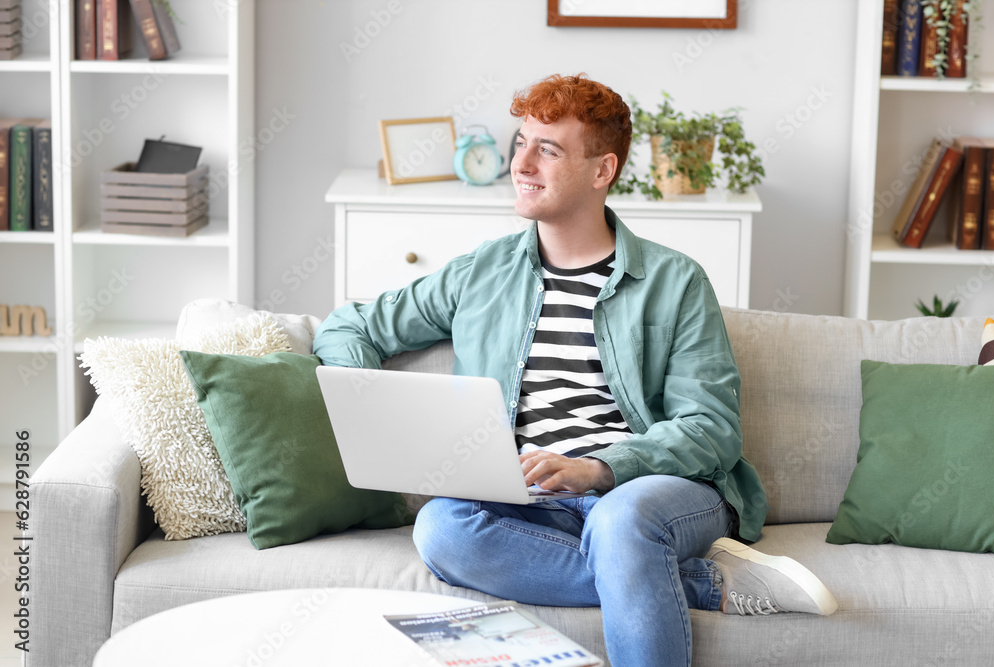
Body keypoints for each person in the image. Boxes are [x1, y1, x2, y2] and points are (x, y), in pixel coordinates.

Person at [313, 73, 836, 667]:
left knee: (620, 523)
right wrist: (374, 397)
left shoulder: (676, 281)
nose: (522, 163)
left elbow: (711, 429)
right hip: (525, 499)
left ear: (602, 170)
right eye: (520, 143)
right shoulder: (480, 272)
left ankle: (631, 554)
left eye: (549, 149)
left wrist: (598, 469)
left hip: (646, 493)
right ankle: (708, 585)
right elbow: (349, 327)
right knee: (441, 529)